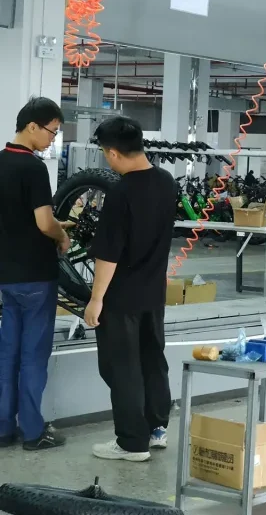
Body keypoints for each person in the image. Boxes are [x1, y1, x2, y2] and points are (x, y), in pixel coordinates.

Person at [83, 117, 177, 462]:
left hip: (121, 297)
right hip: (154, 293)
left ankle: (131, 443)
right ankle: (156, 429)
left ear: (112, 153)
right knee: (153, 360)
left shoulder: (122, 191)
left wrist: (95, 300)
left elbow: (108, 254)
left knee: (120, 368)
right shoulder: (166, 182)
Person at [0, 97, 69, 451]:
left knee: (7, 352)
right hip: (35, 277)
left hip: (6, 277)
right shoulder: (32, 167)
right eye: (51, 132)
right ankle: (31, 432)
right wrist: (63, 234)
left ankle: (2, 429)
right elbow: (44, 223)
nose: (51, 140)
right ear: (32, 126)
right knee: (33, 356)